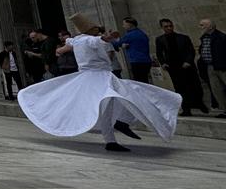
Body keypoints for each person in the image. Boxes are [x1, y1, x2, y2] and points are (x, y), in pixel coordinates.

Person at [18, 13, 181, 152]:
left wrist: (60, 50)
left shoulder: (77, 40)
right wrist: (106, 38)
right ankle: (115, 132)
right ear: (91, 30)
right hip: (98, 78)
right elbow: (96, 41)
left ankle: (116, 131)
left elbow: (68, 45)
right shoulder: (89, 40)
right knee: (123, 98)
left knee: (122, 98)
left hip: (91, 77)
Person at [155, 19, 206, 116]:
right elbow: (159, 53)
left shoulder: (183, 38)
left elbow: (191, 50)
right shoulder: (160, 39)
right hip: (173, 67)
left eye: (170, 26)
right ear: (162, 28)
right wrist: (163, 63)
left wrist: (188, 61)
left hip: (186, 66)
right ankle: (186, 109)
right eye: (166, 26)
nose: (169, 28)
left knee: (194, 85)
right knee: (179, 88)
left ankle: (199, 103)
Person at [112, 17, 153, 83]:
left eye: (124, 24)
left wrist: (110, 39)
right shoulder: (142, 33)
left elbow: (117, 44)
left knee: (140, 83)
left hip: (137, 61)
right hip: (146, 61)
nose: (123, 26)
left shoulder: (130, 35)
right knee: (145, 81)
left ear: (129, 24)